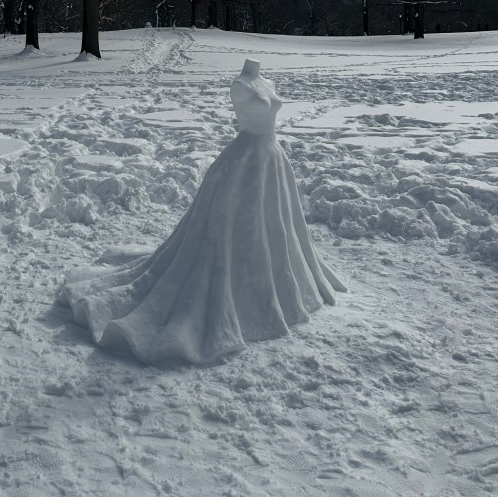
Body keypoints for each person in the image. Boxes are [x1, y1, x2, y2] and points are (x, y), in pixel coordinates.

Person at [60, 58, 345, 365]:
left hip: (271, 161)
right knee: (222, 238)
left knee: (272, 229)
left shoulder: (265, 82)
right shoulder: (240, 85)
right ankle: (240, 295)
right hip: (242, 164)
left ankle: (274, 290)